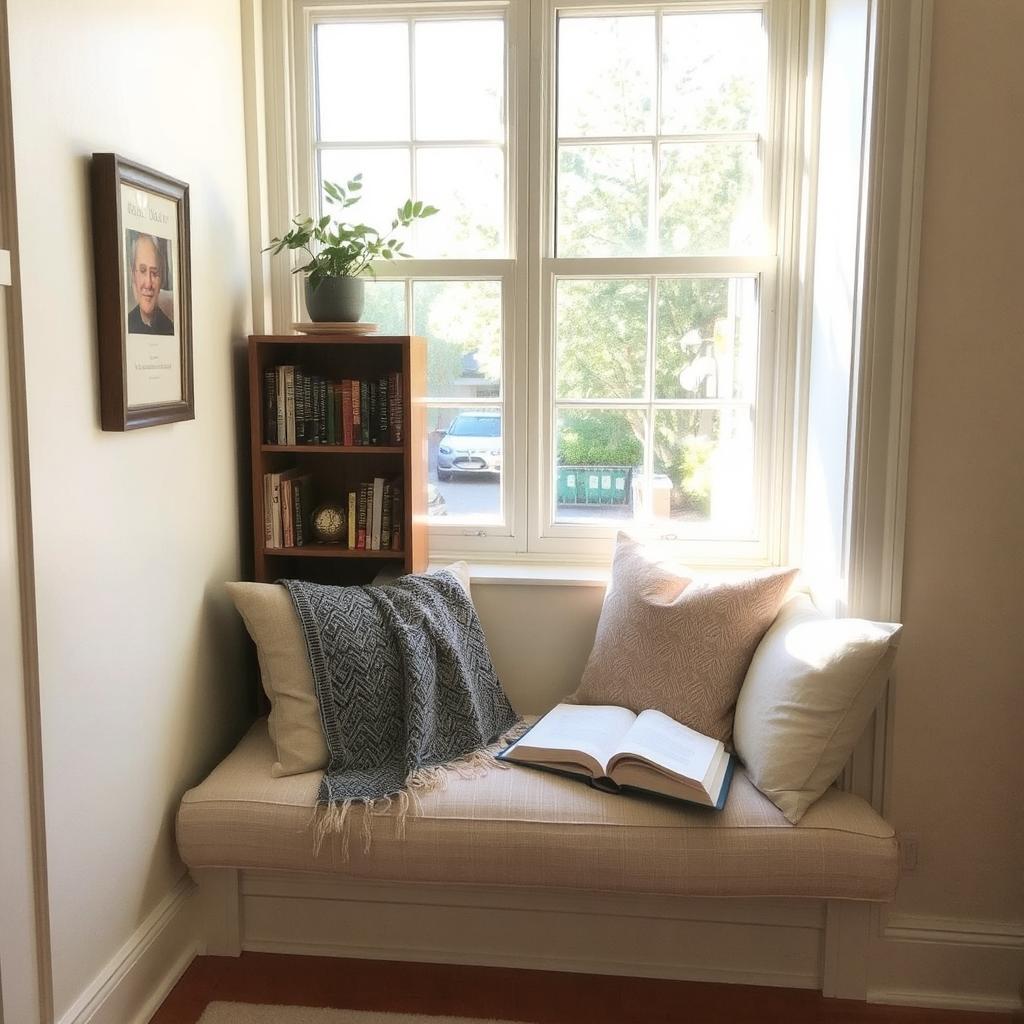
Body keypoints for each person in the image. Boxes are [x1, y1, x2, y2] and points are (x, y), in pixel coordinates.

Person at [127, 233, 174, 335]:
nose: (148, 283)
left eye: (154, 273)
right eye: (143, 271)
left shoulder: (170, 329)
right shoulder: (126, 324)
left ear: (161, 279)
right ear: (133, 275)